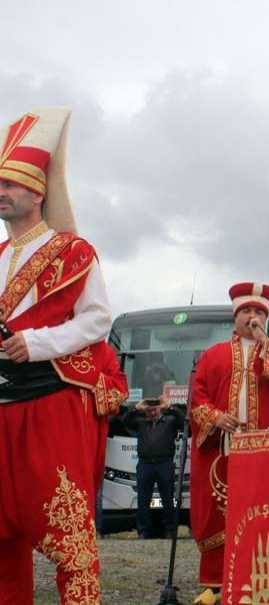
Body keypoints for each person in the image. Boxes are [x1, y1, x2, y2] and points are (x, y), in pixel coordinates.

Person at [0, 107, 127, 604]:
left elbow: (97, 319)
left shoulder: (73, 251)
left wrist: (37, 344)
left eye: (12, 183)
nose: (3, 192)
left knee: (68, 537)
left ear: (38, 192)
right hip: (2, 406)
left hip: (49, 401)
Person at [188, 282, 269, 604]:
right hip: (223, 449)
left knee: (264, 511)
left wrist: (266, 343)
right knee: (219, 512)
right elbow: (198, 397)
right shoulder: (213, 355)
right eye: (247, 311)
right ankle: (216, 584)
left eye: (259, 313)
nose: (252, 317)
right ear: (235, 317)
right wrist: (215, 417)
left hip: (265, 452)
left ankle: (264, 581)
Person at [124, 395, 184, 539]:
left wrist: (169, 407)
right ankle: (144, 531)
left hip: (165, 463)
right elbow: (125, 421)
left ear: (160, 409)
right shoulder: (140, 422)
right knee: (143, 500)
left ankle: (170, 529)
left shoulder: (170, 421)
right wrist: (136, 408)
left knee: (168, 499)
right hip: (145, 465)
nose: (152, 412)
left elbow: (183, 421)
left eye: (154, 409)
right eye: (149, 410)